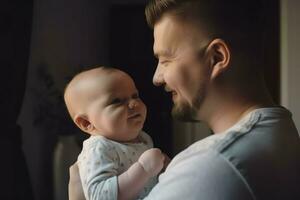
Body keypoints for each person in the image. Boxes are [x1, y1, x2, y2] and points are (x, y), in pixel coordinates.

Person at [69, 0, 300, 199]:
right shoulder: (279, 128)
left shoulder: (211, 166)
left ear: (217, 57)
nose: (156, 78)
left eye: (166, 60)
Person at [64, 66, 168, 200]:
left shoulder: (142, 137)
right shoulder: (98, 149)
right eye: (116, 101)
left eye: (135, 96)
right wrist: (143, 169)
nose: (133, 103)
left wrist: (166, 168)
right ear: (86, 123)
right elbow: (101, 196)